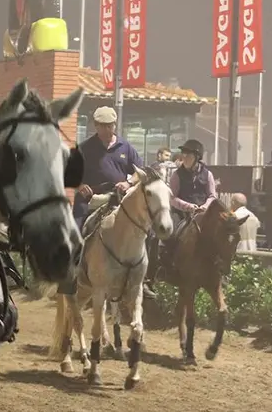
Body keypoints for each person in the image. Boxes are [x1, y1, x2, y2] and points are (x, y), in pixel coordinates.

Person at [146, 138, 216, 295]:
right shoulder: (177, 175)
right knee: (160, 235)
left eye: (188, 154)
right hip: (181, 213)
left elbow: (212, 195)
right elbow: (172, 198)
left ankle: (219, 271)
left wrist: (204, 206)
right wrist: (188, 206)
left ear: (197, 157)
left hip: (203, 213)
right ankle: (157, 272)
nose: (183, 156)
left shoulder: (208, 175)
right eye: (183, 153)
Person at [74, 105, 142, 227]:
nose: (108, 129)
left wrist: (129, 183)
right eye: (103, 126)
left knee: (141, 224)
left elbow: (140, 171)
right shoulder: (84, 148)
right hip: (90, 198)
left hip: (117, 196)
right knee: (75, 231)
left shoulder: (125, 147)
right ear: (96, 126)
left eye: (110, 125)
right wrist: (80, 185)